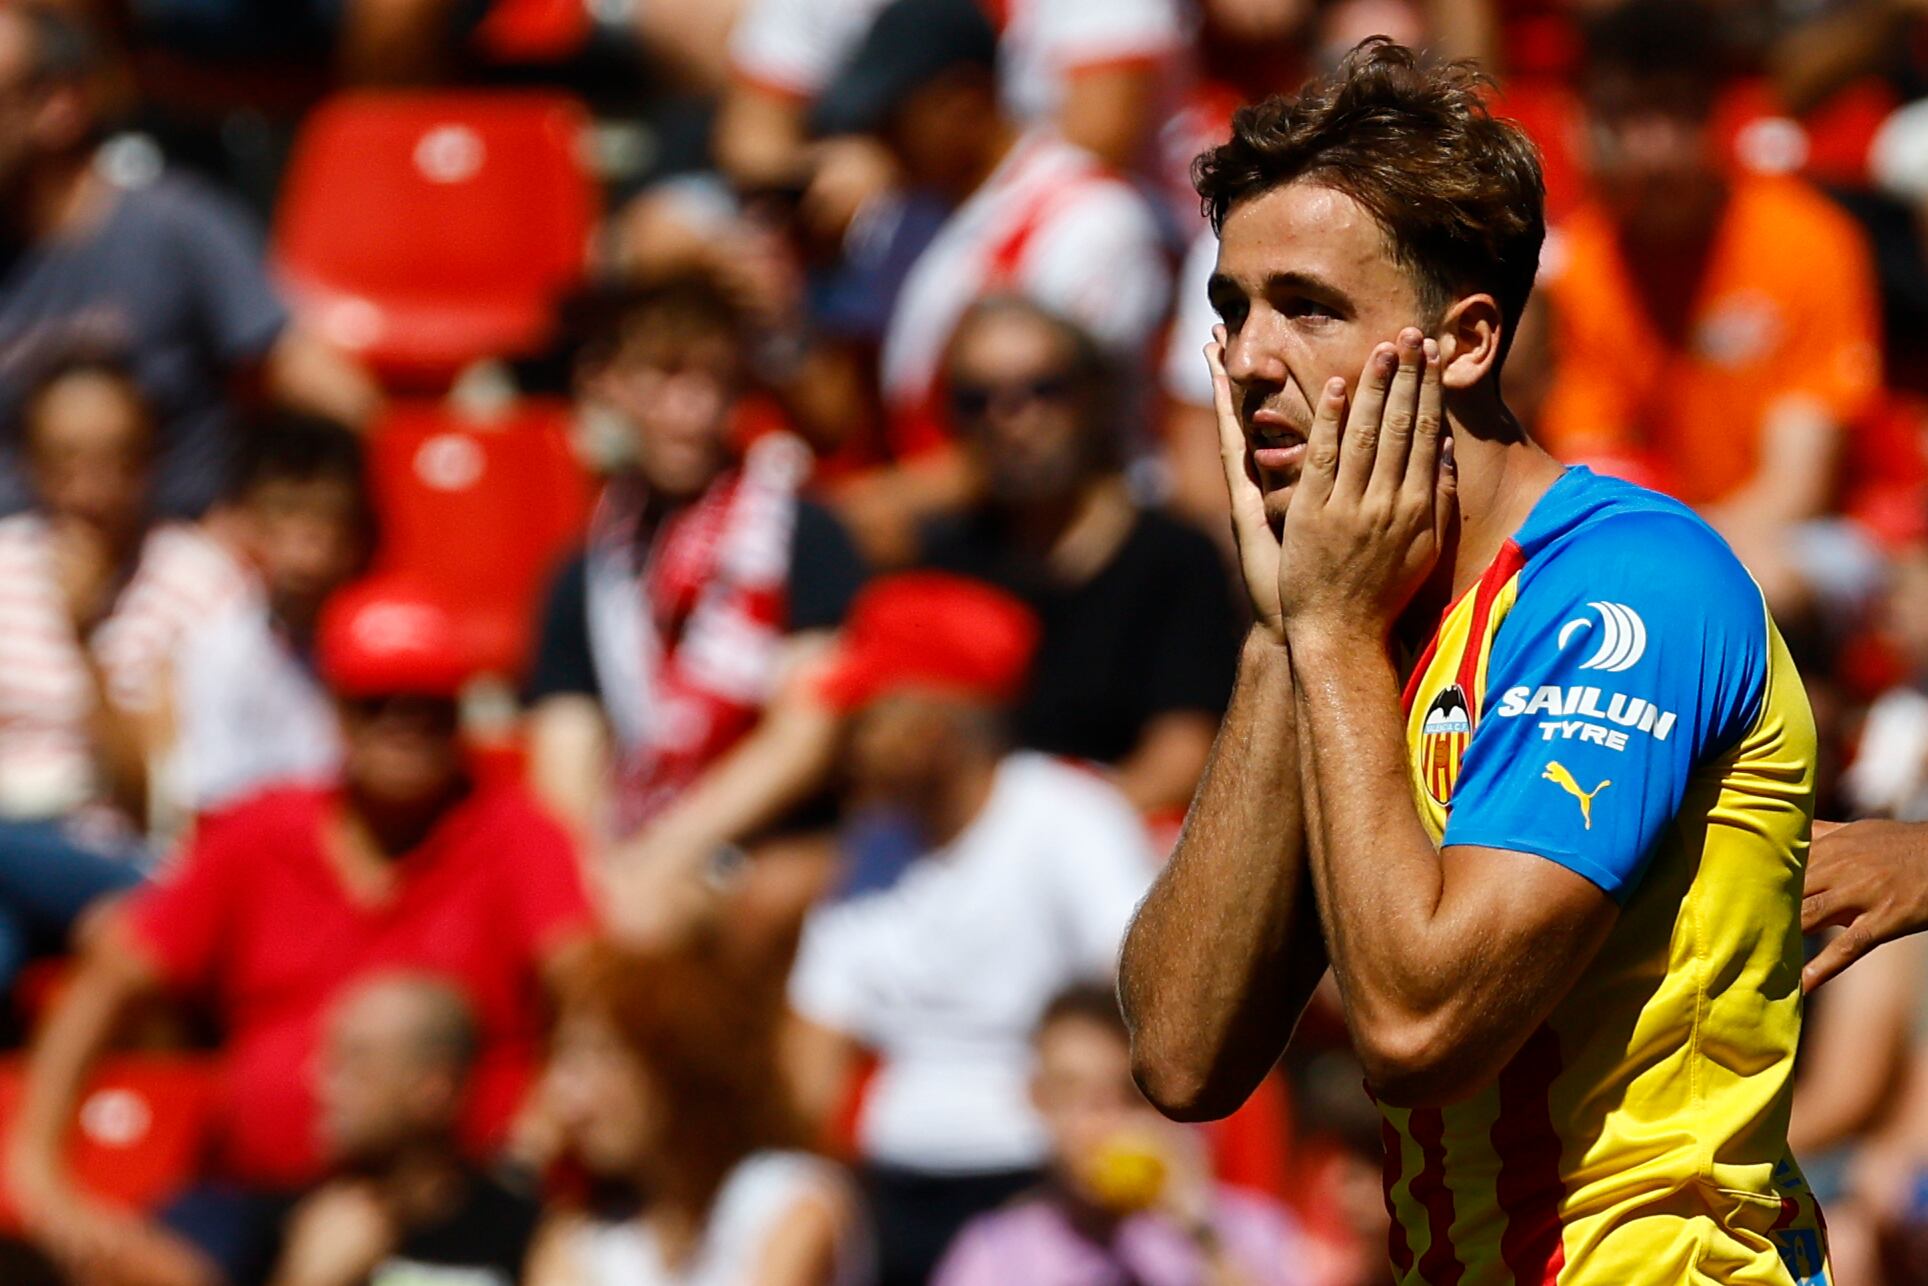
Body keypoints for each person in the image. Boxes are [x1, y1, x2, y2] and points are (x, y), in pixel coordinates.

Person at [1119, 38, 1830, 1286]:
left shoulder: (1629, 588)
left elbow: (1416, 1023)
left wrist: (1328, 633)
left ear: (1463, 341)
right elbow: (1180, 1055)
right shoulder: (1360, 610)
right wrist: (1282, 630)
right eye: (1229, 310)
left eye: (1307, 306)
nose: (1242, 360)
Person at [6, 576, 594, 1286]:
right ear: (337, 712)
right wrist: (39, 1170)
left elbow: (592, 996)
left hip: (452, 1198)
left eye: (430, 706)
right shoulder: (260, 834)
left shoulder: (517, 835)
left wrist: (529, 1150)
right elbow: (110, 981)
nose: (404, 725)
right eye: (378, 703)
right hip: (250, 1197)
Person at [785, 571, 1158, 1285]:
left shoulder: (1069, 817)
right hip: (892, 1184)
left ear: (943, 719)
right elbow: (814, 1041)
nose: (850, 736)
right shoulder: (872, 845)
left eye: (872, 711)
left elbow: (1141, 1005)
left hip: (1045, 1180)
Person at [1537, 0, 1883, 611]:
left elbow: (1798, 487)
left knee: (1764, 578)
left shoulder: (1808, 240)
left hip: (1809, 538)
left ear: (1716, 113)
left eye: (1675, 110)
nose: (1654, 147)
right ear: (1583, 124)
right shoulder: (1580, 269)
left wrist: (1678, 554)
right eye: (1626, 117)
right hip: (1650, 537)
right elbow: (1590, 461)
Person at [525, 276, 867, 861]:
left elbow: (802, 742)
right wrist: (593, 882)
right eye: (664, 377)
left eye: (717, 382)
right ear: (606, 385)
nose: (693, 410)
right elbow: (563, 765)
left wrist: (661, 859)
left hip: (770, 851)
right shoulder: (584, 572)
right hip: (635, 856)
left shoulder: (805, 533)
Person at [811, 0, 1170, 556]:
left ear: (964, 99)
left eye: (893, 117)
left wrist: (877, 506)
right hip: (955, 541)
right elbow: (850, 408)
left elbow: (1070, 434)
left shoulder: (1088, 217)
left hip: (1073, 549)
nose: (876, 141)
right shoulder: (900, 220)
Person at [0, 5, 378, 518]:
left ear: (59, 105)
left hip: (170, 559)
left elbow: (324, 388)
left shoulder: (175, 227)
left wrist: (261, 519)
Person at [919, 296, 1239, 817]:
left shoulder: (1174, 557)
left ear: (1096, 397)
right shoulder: (943, 565)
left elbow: (1185, 754)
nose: (1009, 419)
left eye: (1043, 390)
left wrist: (1048, 849)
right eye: (977, 399)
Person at [0, 356, 249, 993]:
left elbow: (156, 803)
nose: (91, 488)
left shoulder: (200, 584)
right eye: (65, 462)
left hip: (123, 855)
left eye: (117, 460)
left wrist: (84, 642)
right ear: (30, 466)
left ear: (153, 460)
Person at [526, 941, 863, 1286]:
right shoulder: (583, 1238)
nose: (562, 1095)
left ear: (677, 1067)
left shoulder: (787, 1204)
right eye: (561, 1060)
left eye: (599, 1058)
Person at [933, 982, 1307, 1286]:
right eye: (1072, 1093)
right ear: (1037, 1099)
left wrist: (1200, 1233)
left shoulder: (1248, 1231)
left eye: (1128, 1096)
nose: (1103, 1121)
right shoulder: (996, 1253)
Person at [161, 413, 373, 824]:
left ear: (356, 533)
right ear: (250, 523)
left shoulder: (381, 648)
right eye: (287, 513)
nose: (307, 541)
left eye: (327, 517)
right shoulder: (217, 650)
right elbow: (213, 796)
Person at [271, 974, 543, 1286]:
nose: (320, 1084)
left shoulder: (521, 1233)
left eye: (354, 1064)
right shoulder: (297, 1222)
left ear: (432, 1091)